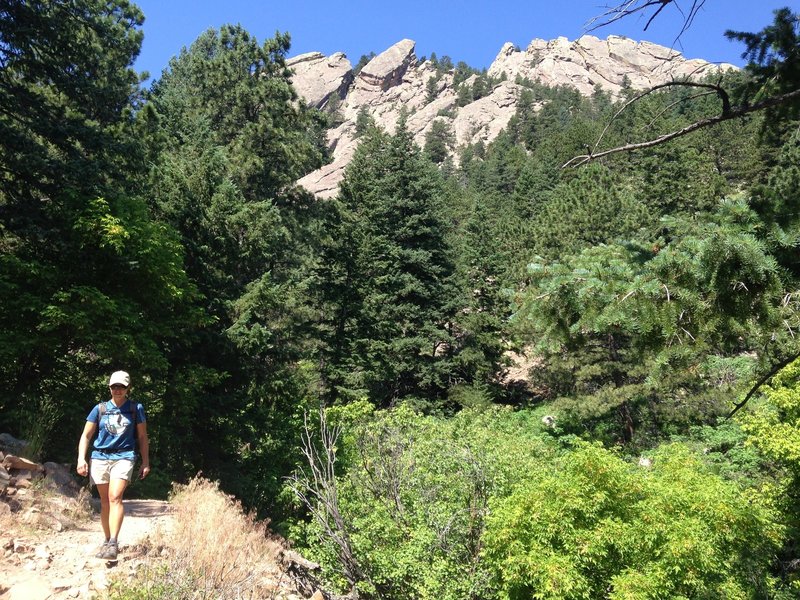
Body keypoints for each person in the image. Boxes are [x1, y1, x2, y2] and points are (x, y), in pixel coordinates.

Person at [76, 370, 150, 560]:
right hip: (100, 457)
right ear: (109, 387)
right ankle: (107, 540)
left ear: (128, 388)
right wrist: (81, 458)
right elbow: (86, 435)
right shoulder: (99, 409)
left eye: (121, 387)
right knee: (105, 501)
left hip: (124, 456)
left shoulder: (135, 408)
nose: (117, 390)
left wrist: (145, 462)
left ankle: (114, 542)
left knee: (115, 496)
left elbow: (142, 437)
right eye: (114, 386)